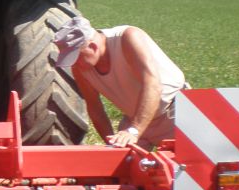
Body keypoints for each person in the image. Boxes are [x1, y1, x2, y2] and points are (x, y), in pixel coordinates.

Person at [54, 16, 187, 149]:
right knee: (123, 166)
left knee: (187, 167)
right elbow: (95, 108)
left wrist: (133, 131)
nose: (74, 64)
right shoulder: (81, 68)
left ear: (93, 47)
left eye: (76, 58)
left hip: (174, 115)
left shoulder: (127, 38)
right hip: (134, 119)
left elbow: (153, 85)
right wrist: (111, 143)